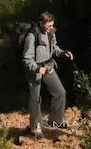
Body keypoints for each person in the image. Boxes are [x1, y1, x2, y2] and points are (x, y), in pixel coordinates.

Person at [22, 11, 73, 139]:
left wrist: (63, 53)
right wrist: (37, 69)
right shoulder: (32, 36)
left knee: (60, 92)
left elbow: (54, 48)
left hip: (48, 66)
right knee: (36, 99)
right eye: (49, 25)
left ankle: (56, 121)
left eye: (52, 25)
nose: (51, 28)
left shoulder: (51, 33)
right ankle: (35, 128)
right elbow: (27, 59)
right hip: (35, 70)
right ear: (41, 23)